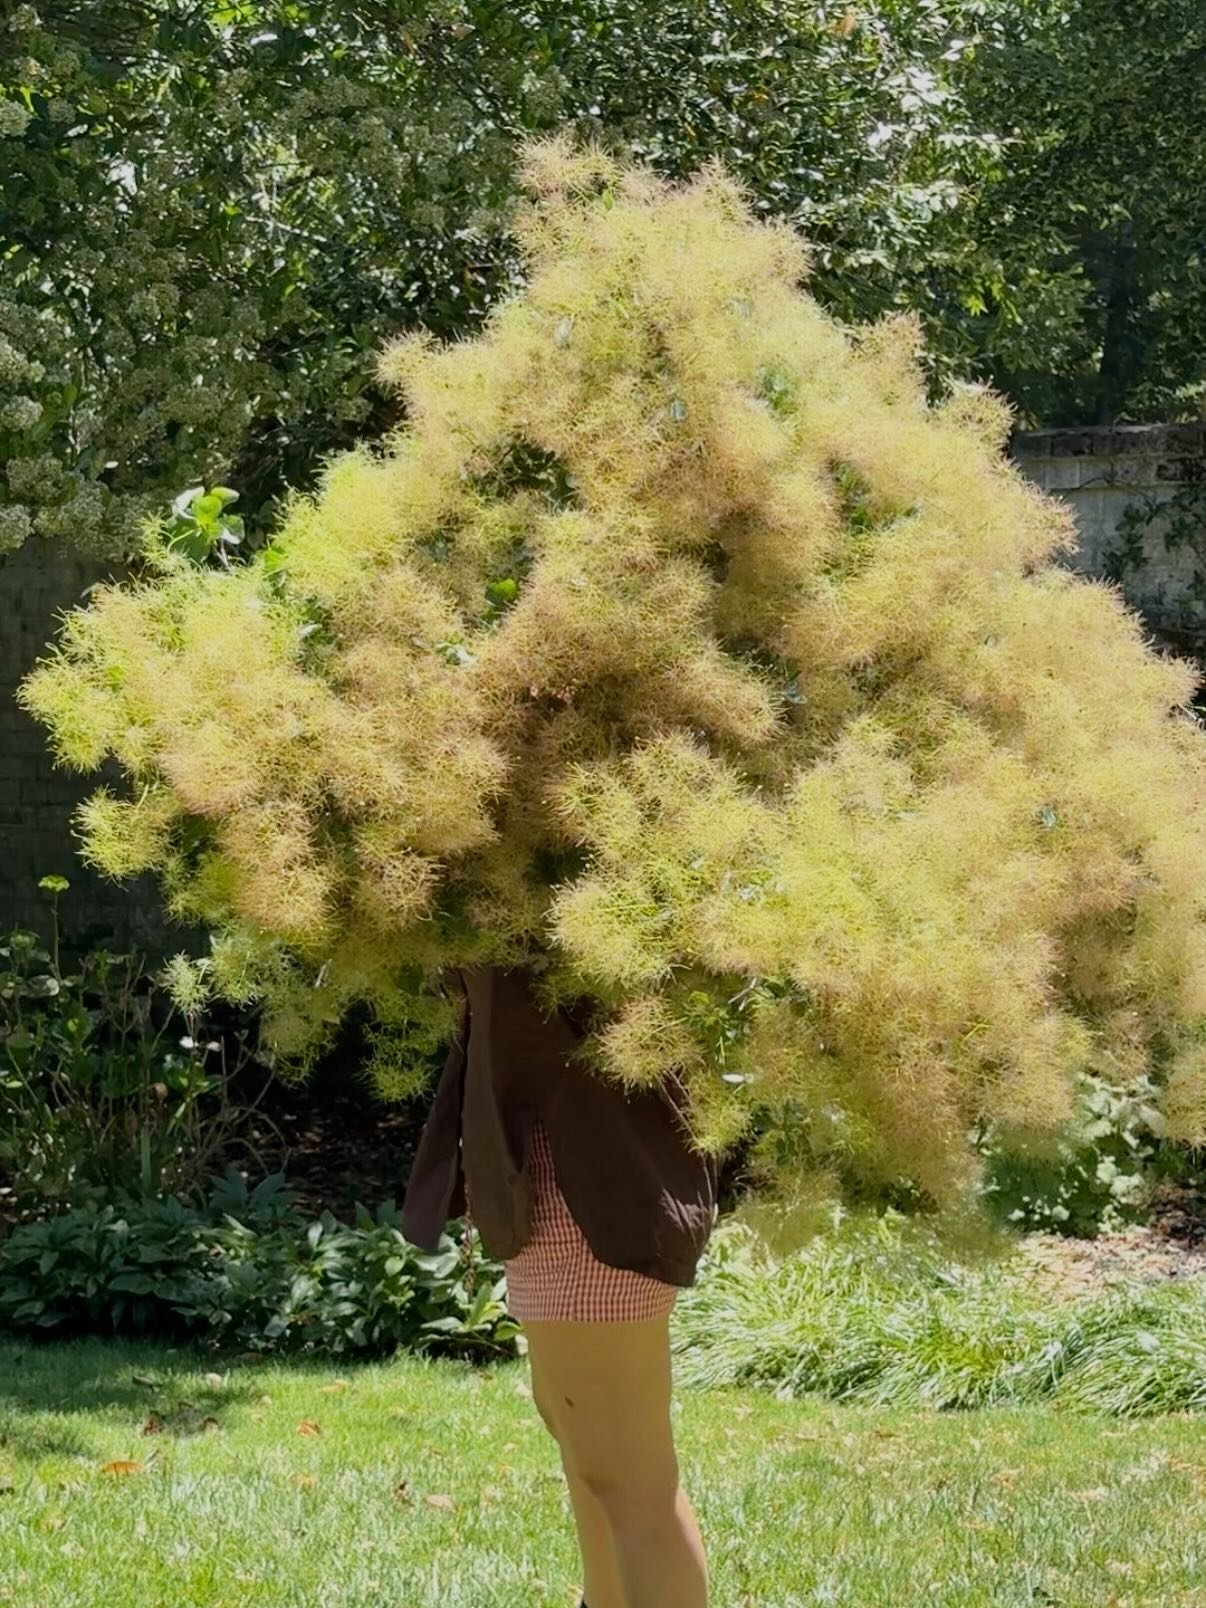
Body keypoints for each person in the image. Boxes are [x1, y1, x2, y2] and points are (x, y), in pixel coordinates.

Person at [401, 961, 719, 1608]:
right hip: (564, 1163)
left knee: (629, 1478)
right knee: (584, 1439)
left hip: (589, 1171)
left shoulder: (568, 882)